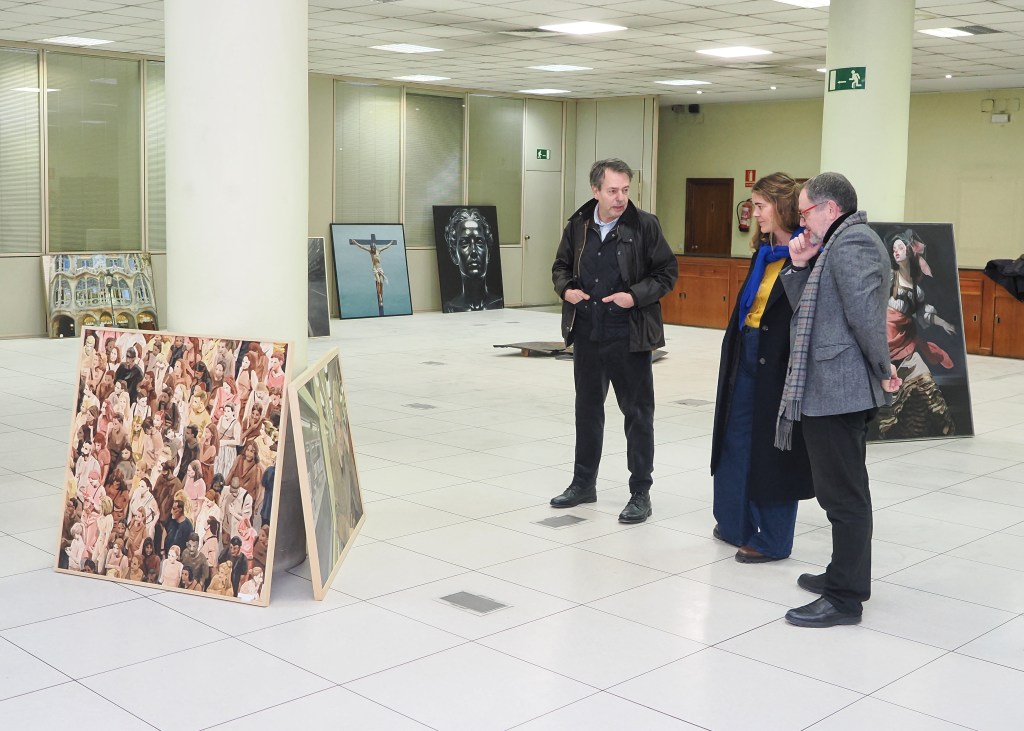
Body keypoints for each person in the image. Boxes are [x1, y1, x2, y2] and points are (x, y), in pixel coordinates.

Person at [776, 172, 901, 628]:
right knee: (838, 491)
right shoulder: (831, 246)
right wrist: (800, 265)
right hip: (827, 387)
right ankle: (841, 573)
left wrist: (884, 370)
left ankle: (845, 598)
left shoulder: (855, 244)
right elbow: (810, 308)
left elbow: (866, 318)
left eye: (806, 211)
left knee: (844, 496)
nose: (801, 220)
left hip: (840, 389)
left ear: (831, 209)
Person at [549, 158, 678, 523]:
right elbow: (559, 266)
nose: (620, 198)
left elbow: (667, 273)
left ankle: (640, 492)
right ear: (595, 191)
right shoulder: (578, 225)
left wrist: (634, 296)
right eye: (612, 191)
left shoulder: (645, 226)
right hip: (588, 332)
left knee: (637, 415)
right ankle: (582, 483)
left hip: (630, 335)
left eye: (625, 190)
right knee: (587, 411)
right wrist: (566, 289)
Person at [710, 173, 814, 563]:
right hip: (746, 355)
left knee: (775, 451)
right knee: (735, 440)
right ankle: (735, 522)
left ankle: (772, 539)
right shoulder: (763, 253)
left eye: (761, 205)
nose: (754, 214)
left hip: (781, 366)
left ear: (784, 207)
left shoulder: (808, 257)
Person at [879, 228, 957, 439]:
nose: (896, 251)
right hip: (885, 343)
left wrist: (943, 324)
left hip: (907, 345)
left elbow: (924, 314)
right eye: (893, 248)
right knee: (892, 399)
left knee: (927, 386)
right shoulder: (887, 277)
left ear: (909, 251)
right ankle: (893, 432)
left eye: (900, 247)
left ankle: (926, 431)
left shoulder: (917, 289)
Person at [441, 208, 503, 312]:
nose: (474, 251)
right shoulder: (450, 308)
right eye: (465, 243)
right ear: (454, 255)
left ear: (488, 254)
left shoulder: (499, 303)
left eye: (479, 242)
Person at [350, 235, 397, 316]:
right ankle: (380, 297)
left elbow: (385, 247)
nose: (373, 249)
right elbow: (362, 247)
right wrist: (355, 242)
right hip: (375, 269)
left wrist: (390, 243)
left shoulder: (378, 251)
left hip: (380, 269)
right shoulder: (370, 252)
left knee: (382, 283)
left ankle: (381, 296)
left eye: (373, 248)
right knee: (378, 282)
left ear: (375, 247)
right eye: (372, 248)